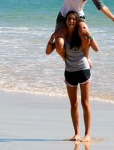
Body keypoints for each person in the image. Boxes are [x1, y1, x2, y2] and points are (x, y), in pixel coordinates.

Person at [46, 11, 99, 142]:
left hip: (83, 70)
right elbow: (47, 52)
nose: (71, 21)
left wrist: (90, 36)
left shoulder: (80, 35)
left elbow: (96, 49)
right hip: (69, 72)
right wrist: (52, 36)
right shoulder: (62, 38)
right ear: (65, 21)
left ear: (76, 22)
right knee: (74, 104)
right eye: (69, 19)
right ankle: (76, 133)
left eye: (74, 19)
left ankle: (87, 134)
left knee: (85, 102)